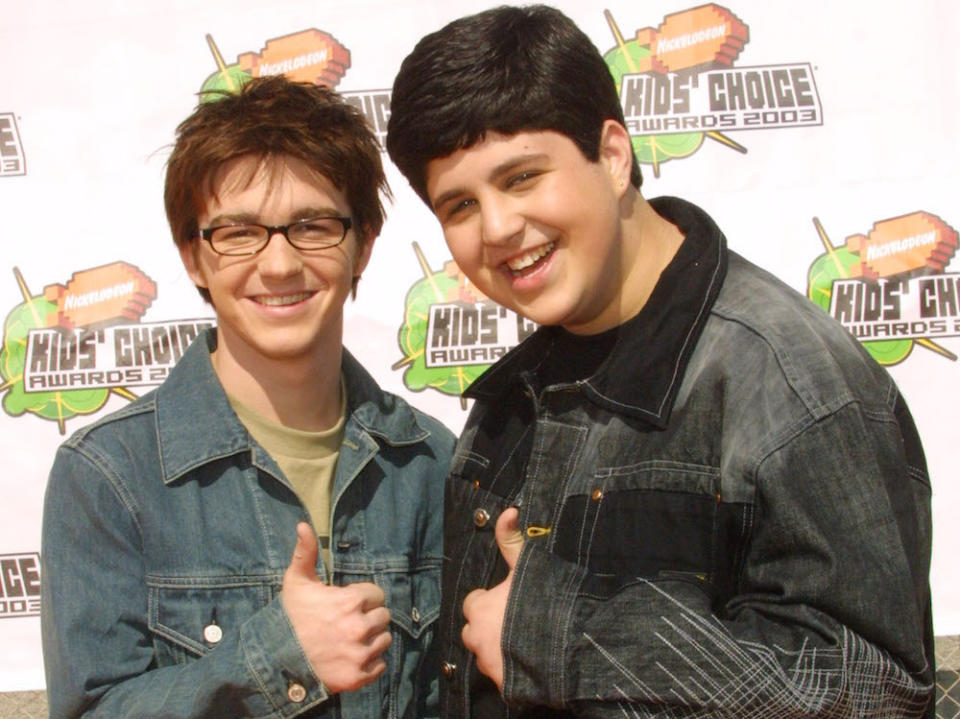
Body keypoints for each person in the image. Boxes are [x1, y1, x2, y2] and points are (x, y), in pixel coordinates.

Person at [385, 5, 935, 718]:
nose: (496, 228)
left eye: (522, 178)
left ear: (613, 156)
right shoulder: (511, 398)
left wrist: (550, 627)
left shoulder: (795, 386)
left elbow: (876, 692)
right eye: (458, 205)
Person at [41, 75, 454, 718]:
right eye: (238, 232)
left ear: (364, 244)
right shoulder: (109, 475)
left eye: (313, 226)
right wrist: (279, 656)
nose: (280, 264)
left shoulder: (433, 463)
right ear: (193, 257)